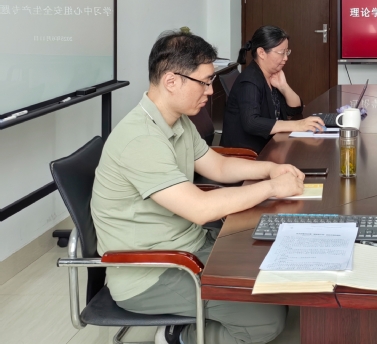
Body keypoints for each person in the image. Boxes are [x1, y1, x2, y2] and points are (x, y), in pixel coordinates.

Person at [92, 31, 305, 344]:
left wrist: (270, 168)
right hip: (153, 271)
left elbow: (217, 166)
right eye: (204, 82)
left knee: (276, 275)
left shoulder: (176, 120)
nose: (210, 91)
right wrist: (271, 187)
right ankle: (177, 336)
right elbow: (200, 208)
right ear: (171, 81)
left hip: (189, 244)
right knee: (265, 322)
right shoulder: (141, 140)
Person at [221, 25, 325, 153]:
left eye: (287, 52)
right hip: (246, 154)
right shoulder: (250, 81)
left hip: (270, 146)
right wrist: (297, 125)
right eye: (281, 53)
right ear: (261, 53)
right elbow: (251, 122)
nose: (286, 58)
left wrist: (283, 86)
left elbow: (295, 110)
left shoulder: (270, 75)